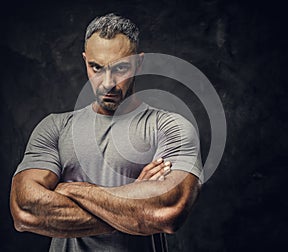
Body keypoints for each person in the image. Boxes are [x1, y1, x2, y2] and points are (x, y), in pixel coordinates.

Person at [10, 13, 202, 252]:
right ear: (85, 61)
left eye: (120, 68)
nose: (107, 82)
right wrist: (135, 206)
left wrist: (70, 189)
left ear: (138, 63)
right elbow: (25, 210)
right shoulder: (55, 128)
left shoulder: (169, 127)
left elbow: (168, 211)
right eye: (96, 67)